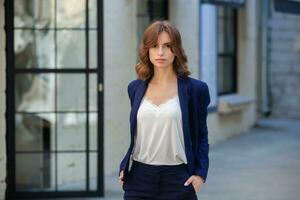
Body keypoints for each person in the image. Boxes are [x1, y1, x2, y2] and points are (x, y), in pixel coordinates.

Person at [118, 20, 210, 200]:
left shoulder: (196, 90)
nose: (160, 52)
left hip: (178, 179)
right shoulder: (135, 88)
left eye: (167, 46)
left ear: (176, 50)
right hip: (139, 177)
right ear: (147, 50)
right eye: (155, 46)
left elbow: (202, 135)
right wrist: (124, 166)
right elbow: (139, 134)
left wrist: (200, 173)